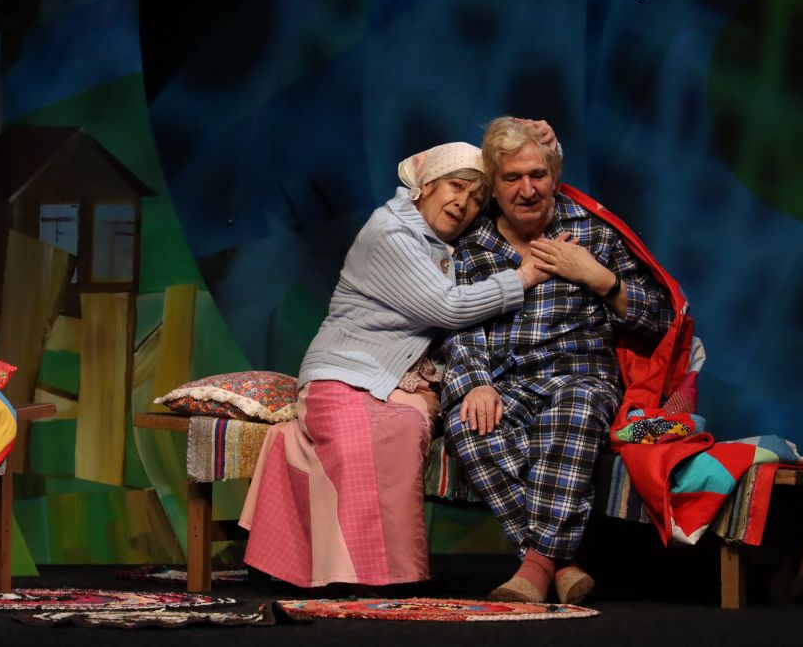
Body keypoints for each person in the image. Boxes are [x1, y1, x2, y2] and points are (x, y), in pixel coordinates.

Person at [238, 134, 563, 588]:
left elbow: (530, 191)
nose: (464, 203)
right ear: (425, 186)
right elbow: (448, 308)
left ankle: (377, 570)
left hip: (398, 383)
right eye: (456, 186)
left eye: (476, 198)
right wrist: (522, 277)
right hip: (348, 372)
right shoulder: (391, 231)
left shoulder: (445, 245)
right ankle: (364, 576)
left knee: (406, 426)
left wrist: (543, 140)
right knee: (362, 442)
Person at [441, 116, 676, 604]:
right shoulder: (473, 247)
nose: (527, 190)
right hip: (506, 384)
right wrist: (477, 384)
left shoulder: (593, 233)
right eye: (512, 178)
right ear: (493, 186)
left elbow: (660, 319)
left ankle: (533, 568)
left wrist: (598, 277)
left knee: (573, 408)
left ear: (555, 176)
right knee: (467, 425)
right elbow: (461, 328)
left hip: (581, 379)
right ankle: (561, 563)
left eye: (538, 175)